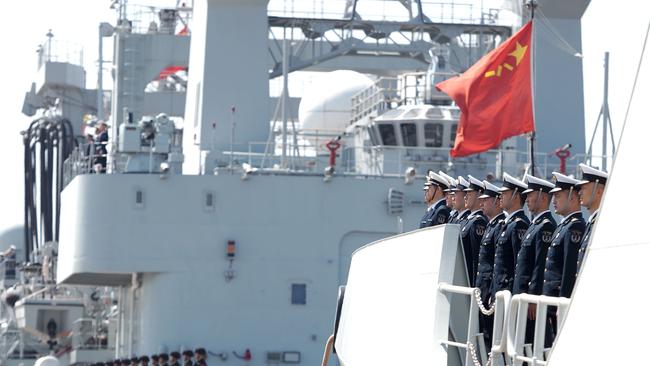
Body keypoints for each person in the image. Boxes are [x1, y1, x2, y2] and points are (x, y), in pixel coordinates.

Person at [543, 171, 586, 345]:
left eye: (558, 196)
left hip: (559, 302)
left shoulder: (574, 227)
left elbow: (570, 269)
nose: (554, 201)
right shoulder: (564, 226)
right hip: (551, 301)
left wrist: (564, 302)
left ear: (572, 198)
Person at [512, 175, 557, 344]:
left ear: (542, 197)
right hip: (522, 297)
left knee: (532, 344)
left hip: (530, 301)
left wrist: (533, 296)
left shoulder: (546, 226)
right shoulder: (534, 225)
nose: (527, 199)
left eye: (530, 195)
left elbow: (540, 265)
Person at [475, 180, 505, 346]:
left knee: (490, 337)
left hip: (489, 292)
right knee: (484, 336)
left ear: (496, 201)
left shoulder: (499, 226)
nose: (481, 203)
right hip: (484, 290)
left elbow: (497, 262)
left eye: (485, 200)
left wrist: (491, 291)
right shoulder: (491, 225)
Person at [492, 173, 530, 295]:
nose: (500, 197)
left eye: (504, 193)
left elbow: (519, 264)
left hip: (507, 293)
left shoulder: (519, 225)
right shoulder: (508, 223)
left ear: (516, 196)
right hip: (499, 292)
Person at [575, 164, 608, 273]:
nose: (579, 192)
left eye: (584, 188)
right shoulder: (592, 223)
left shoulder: (602, 223)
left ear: (599, 192)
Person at [459, 175, 487, 286]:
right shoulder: (467, 221)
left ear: (479, 196)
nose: (465, 197)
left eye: (469, 194)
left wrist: (475, 287)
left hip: (469, 281)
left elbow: (476, 259)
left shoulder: (478, 222)